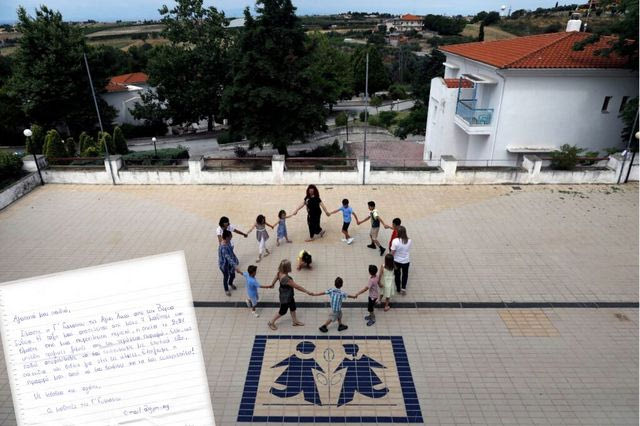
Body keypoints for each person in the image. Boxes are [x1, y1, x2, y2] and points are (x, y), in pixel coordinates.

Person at [267, 259, 312, 330]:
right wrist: (307, 291)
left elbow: (276, 277)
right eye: (289, 266)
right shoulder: (286, 279)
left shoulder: (280, 272)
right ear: (286, 268)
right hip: (285, 297)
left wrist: (272, 284)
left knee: (293, 308)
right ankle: (271, 322)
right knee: (282, 311)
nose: (291, 267)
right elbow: (297, 286)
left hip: (289, 295)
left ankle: (295, 321)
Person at [391, 225, 412, 295]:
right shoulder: (409, 240)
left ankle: (398, 288)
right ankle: (403, 288)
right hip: (406, 261)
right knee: (405, 275)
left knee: (397, 275)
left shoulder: (395, 241)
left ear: (398, 233)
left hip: (396, 261)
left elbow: (392, 252)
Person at [218, 230, 239, 296]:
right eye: (230, 237)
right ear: (227, 237)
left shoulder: (228, 242)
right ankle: (226, 289)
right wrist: (235, 266)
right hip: (224, 265)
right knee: (226, 277)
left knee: (232, 275)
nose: (231, 237)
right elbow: (228, 258)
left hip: (230, 264)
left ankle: (230, 283)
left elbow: (231, 253)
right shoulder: (223, 247)